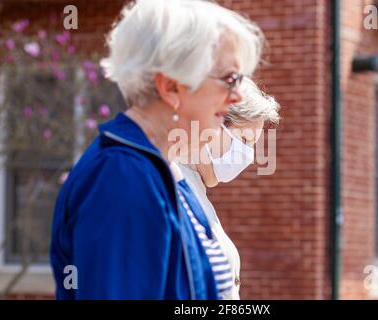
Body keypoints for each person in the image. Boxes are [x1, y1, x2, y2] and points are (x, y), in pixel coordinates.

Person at [50, 0, 264, 299]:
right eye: (229, 79)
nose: (238, 96)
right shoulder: (121, 178)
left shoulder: (165, 172)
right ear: (171, 87)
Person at [171, 77, 280, 299]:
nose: (249, 157)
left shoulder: (194, 186)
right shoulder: (173, 183)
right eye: (245, 140)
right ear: (215, 124)